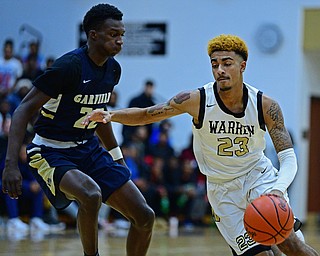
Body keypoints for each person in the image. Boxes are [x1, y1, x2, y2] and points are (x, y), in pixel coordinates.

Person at [83, 34, 319, 256]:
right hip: (222, 190)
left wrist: (278, 189)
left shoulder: (265, 105)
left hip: (259, 178)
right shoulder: (196, 100)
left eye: (227, 63)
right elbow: (147, 114)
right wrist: (111, 115)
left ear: (243, 66)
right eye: (214, 64)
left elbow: (288, 157)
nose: (220, 70)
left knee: (292, 245)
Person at [2, 3, 154, 256]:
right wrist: (10, 164)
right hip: (50, 150)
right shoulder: (69, 66)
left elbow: (99, 113)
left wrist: (117, 158)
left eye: (122, 35)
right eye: (113, 34)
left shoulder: (113, 69)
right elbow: (22, 110)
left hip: (88, 149)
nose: (119, 41)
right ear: (93, 35)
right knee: (90, 195)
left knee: (144, 215)